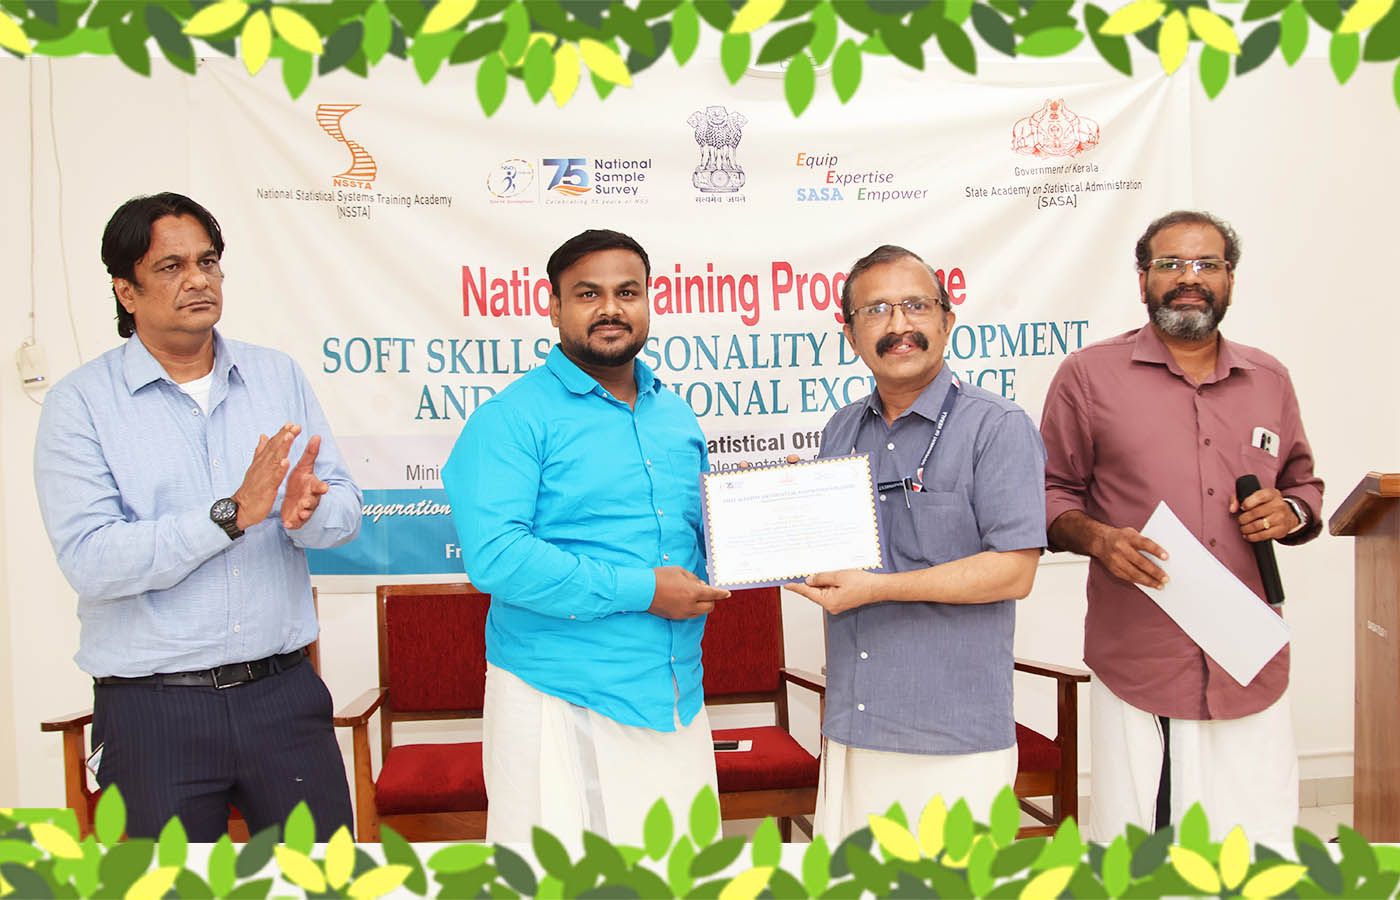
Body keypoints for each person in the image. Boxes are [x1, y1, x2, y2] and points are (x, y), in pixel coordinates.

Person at [33, 192, 359, 841]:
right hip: (153, 711)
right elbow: (92, 561)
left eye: (207, 262)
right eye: (171, 267)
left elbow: (343, 507)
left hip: (283, 698)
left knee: (324, 881)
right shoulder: (80, 404)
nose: (198, 280)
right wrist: (231, 515)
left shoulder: (277, 376)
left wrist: (306, 512)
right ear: (126, 291)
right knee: (164, 885)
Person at [1039, 210, 1323, 846]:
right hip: (1142, 650)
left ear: (1230, 281)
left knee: (1258, 843)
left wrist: (1291, 511)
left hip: (1247, 650)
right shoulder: (1088, 375)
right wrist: (1098, 538)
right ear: (1143, 280)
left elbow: (1305, 487)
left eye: (1207, 265)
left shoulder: (1269, 379)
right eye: (1170, 264)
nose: (1189, 278)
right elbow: (1049, 491)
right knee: (1144, 851)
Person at [442, 229, 728, 843]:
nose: (610, 309)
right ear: (553, 307)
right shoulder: (511, 419)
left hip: (675, 695)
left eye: (627, 292)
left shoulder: (675, 415)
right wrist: (645, 590)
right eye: (587, 294)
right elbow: (497, 558)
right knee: (559, 878)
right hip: (559, 696)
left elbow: (697, 537)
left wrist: (775, 518)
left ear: (648, 300)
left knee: (679, 874)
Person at [788, 245, 1047, 841]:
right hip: (854, 726)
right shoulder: (841, 429)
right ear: (850, 334)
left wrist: (878, 589)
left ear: (947, 320)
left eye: (916, 305)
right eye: (877, 310)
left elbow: (1014, 572)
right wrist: (791, 521)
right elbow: (834, 560)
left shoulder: (996, 426)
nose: (899, 324)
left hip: (952, 736)